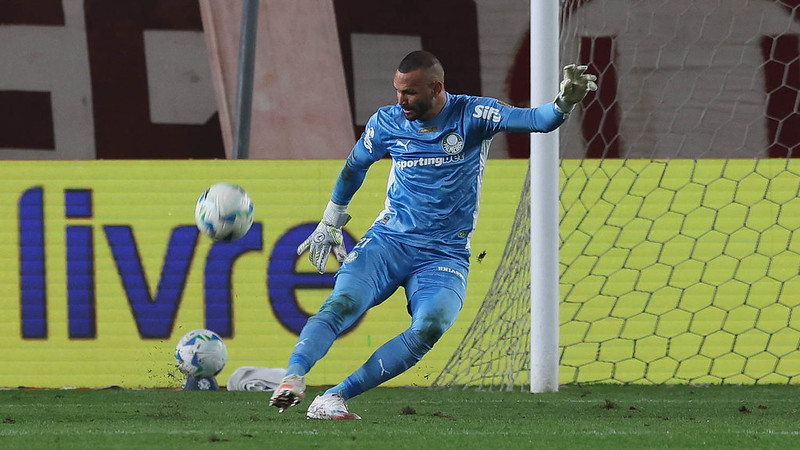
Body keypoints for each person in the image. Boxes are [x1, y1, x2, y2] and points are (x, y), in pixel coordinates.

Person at [269, 50, 597, 419]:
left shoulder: (472, 114)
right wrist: (332, 218)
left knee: (430, 326)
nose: (401, 100)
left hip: (444, 254)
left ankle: (334, 397)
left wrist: (563, 102)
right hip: (389, 241)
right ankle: (292, 378)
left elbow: (536, 120)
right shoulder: (387, 122)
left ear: (436, 87)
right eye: (397, 91)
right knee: (343, 304)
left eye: (408, 92)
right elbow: (355, 165)